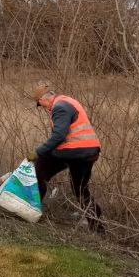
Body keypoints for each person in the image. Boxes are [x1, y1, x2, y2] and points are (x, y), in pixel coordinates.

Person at [27, 82, 103, 232]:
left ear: (43, 99)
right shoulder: (68, 101)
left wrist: (38, 152)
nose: (42, 107)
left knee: (39, 172)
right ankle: (98, 229)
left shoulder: (59, 108)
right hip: (89, 152)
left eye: (40, 104)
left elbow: (59, 136)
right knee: (80, 190)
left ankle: (32, 212)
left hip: (74, 152)